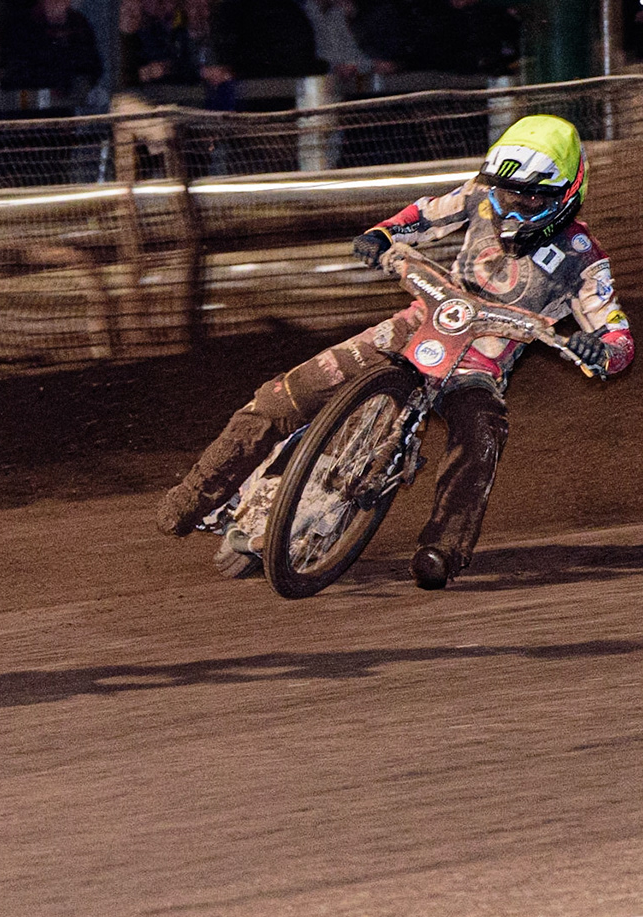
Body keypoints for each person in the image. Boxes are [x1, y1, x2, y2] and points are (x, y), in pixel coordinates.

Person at [156, 116, 630, 589]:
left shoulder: (585, 258)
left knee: (481, 435)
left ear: (566, 194)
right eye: (506, 192)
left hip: (478, 363)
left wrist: (600, 350)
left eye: (529, 197)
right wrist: (383, 234)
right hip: (415, 325)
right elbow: (424, 215)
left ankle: (444, 548)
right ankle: (195, 495)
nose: (511, 205)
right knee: (285, 395)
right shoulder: (479, 197)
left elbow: (617, 336)